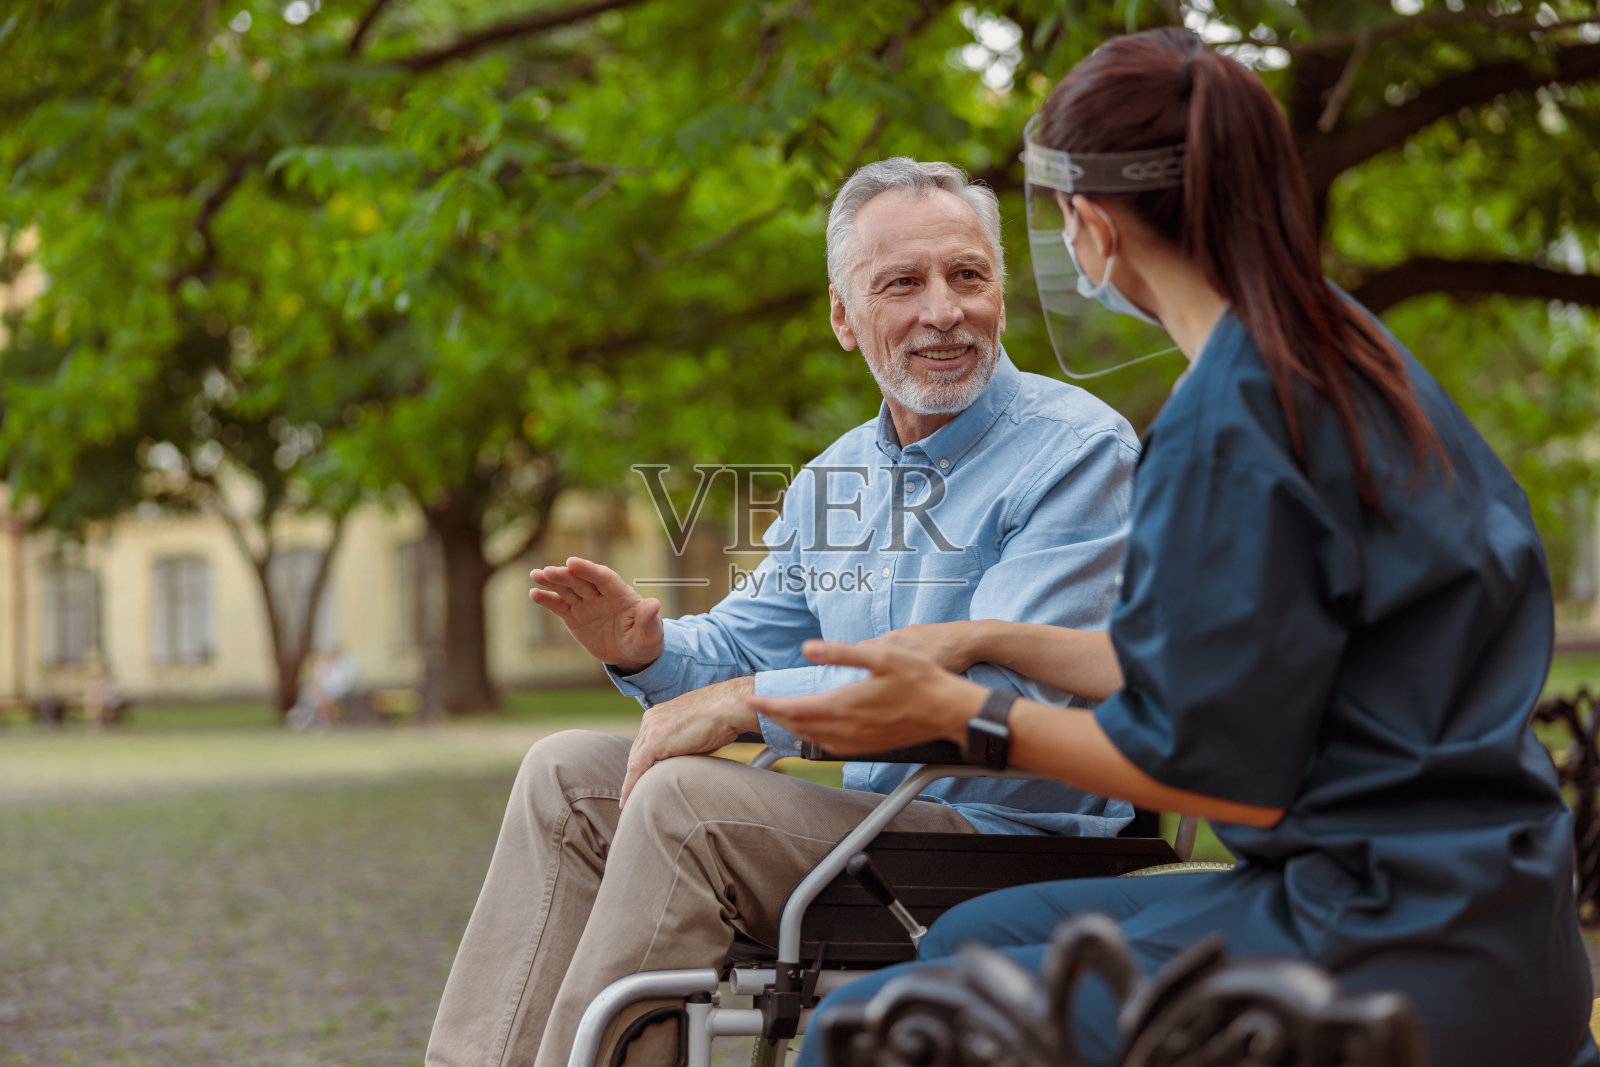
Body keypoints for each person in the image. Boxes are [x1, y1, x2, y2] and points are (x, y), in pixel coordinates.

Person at [752, 29, 1600, 1067]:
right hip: (1492, 909)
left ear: (1095, 224)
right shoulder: (1334, 347)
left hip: (1385, 941)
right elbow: (1221, 658)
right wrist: (986, 640)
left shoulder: (1230, 424)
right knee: (976, 934)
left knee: (867, 1024)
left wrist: (962, 714)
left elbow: (1216, 771)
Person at [425, 158, 1143, 1067]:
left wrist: (747, 702)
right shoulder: (835, 476)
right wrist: (647, 648)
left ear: (1000, 290)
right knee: (563, 772)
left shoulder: (1078, 451)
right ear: (844, 317)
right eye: (902, 283)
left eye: (967, 275)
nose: (944, 310)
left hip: (1018, 845)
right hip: (880, 826)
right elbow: (741, 646)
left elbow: (1003, 698)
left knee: (687, 802)